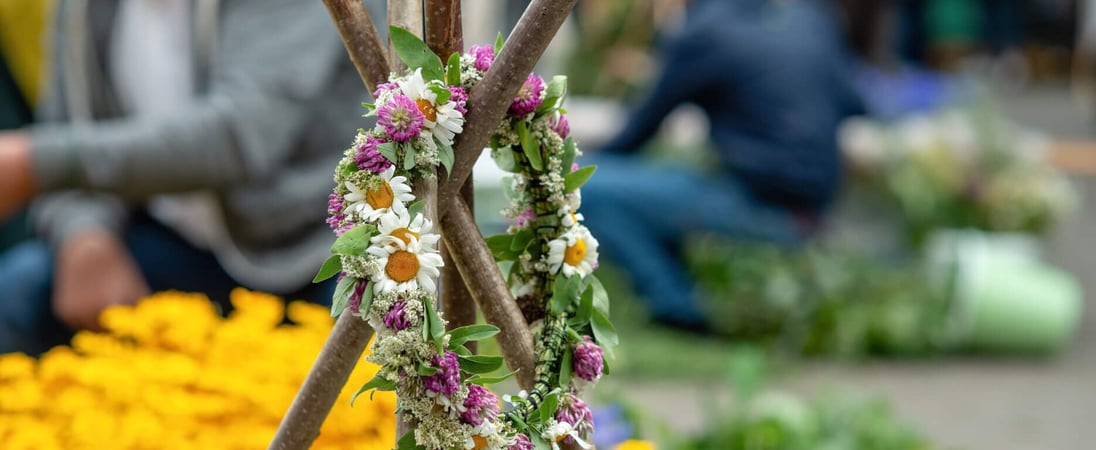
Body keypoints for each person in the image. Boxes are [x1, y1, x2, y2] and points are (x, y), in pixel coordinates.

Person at [0, 0, 372, 355]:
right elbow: (69, 121)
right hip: (177, 242)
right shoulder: (85, 9)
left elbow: (241, 135)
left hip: (311, 251)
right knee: (21, 290)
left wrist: (37, 163)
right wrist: (84, 235)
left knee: (381, 346)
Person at [581, 0, 866, 331]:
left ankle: (680, 309)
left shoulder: (704, 31)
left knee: (588, 187)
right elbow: (855, 103)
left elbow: (637, 133)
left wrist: (571, 171)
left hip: (757, 208)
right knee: (669, 183)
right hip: (818, 211)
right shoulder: (812, 17)